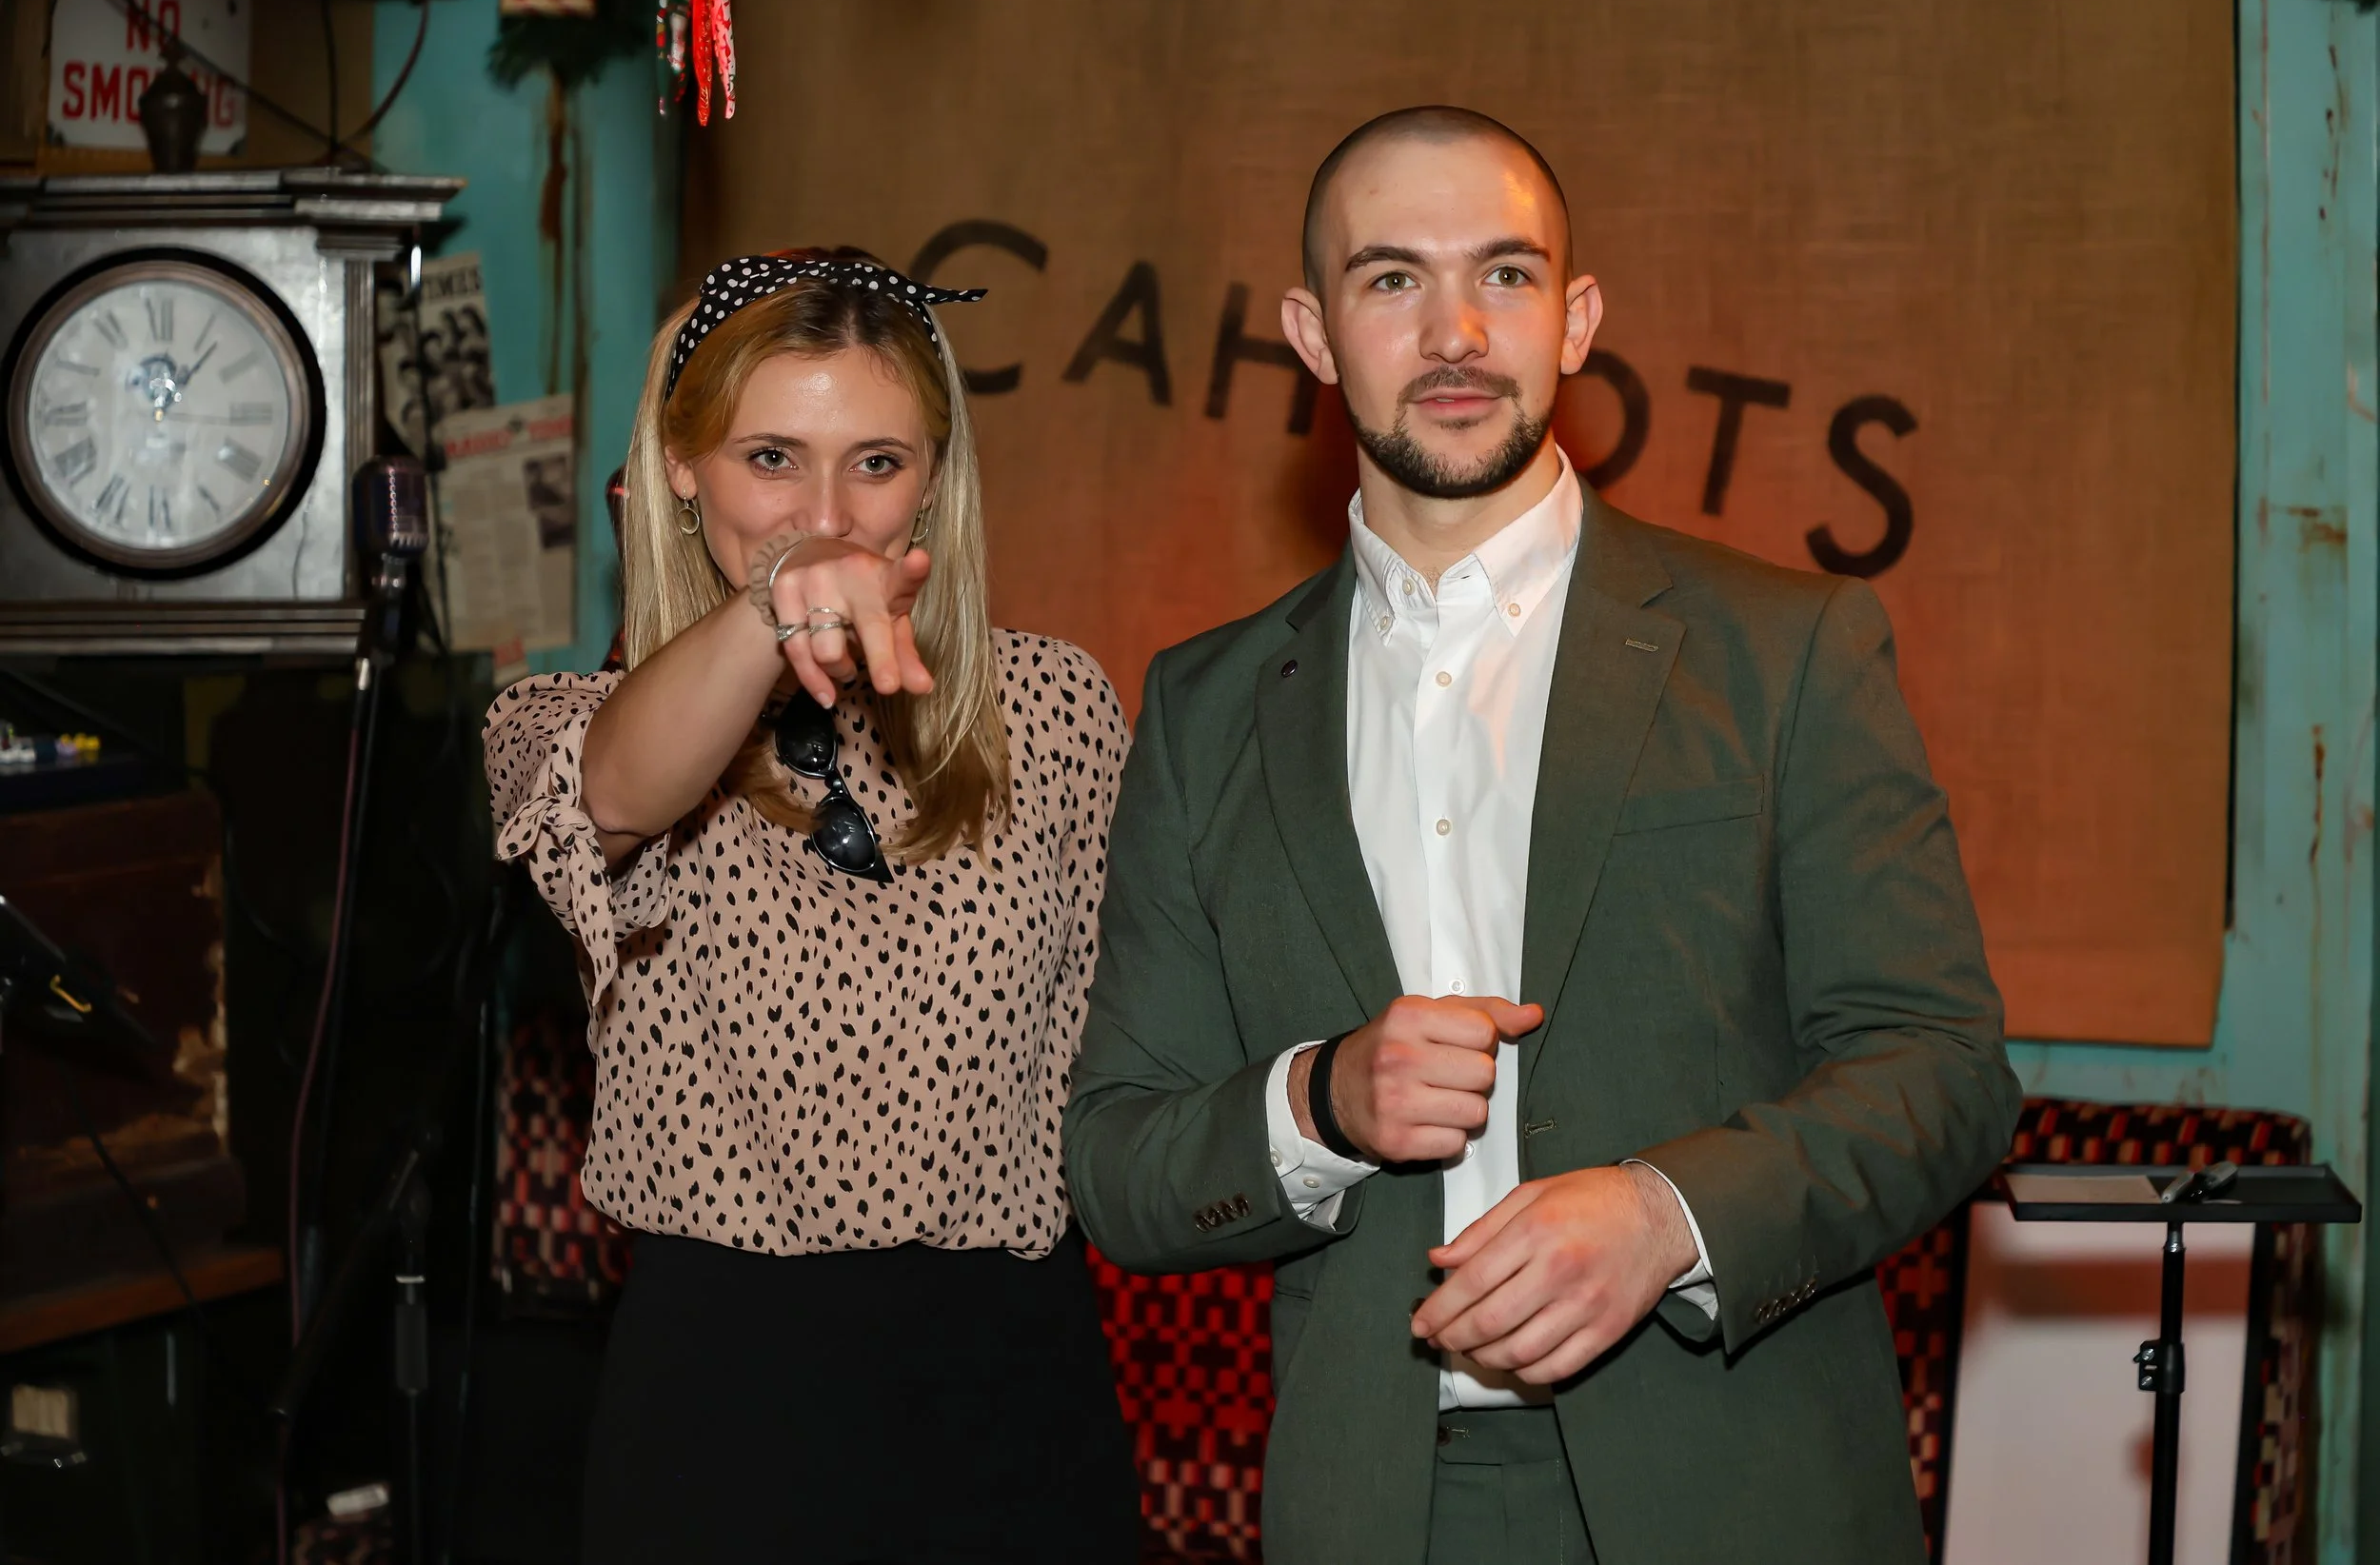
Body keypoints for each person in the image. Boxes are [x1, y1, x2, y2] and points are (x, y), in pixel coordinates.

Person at [1062, 108, 2021, 1565]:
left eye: (1503, 276)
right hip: (1377, 1501)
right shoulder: (1204, 707)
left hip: (1738, 1491)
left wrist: (1667, 1213)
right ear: (1312, 335)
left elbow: (1943, 1071)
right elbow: (1122, 1159)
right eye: (1393, 281)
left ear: (1575, 318)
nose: (1455, 330)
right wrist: (1323, 1096)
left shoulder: (1785, 649)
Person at [485, 250, 1140, 1564]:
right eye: (772, 457)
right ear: (681, 464)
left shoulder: (1057, 708)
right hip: (725, 1401)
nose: (829, 514)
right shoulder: (561, 720)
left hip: (1011, 1388)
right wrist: (763, 617)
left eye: (878, 462)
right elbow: (611, 799)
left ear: (937, 476)